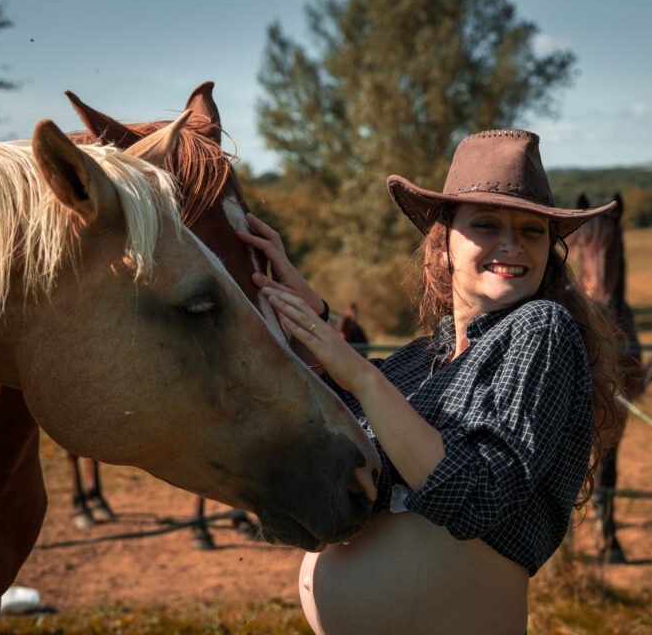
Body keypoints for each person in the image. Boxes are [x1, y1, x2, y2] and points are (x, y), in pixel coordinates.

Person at [237, 129, 626, 635]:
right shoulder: (420, 360)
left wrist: (361, 375)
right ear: (442, 246)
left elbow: (479, 493)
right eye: (486, 224)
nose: (512, 245)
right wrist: (311, 314)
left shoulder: (542, 328)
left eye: (533, 231)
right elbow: (334, 432)